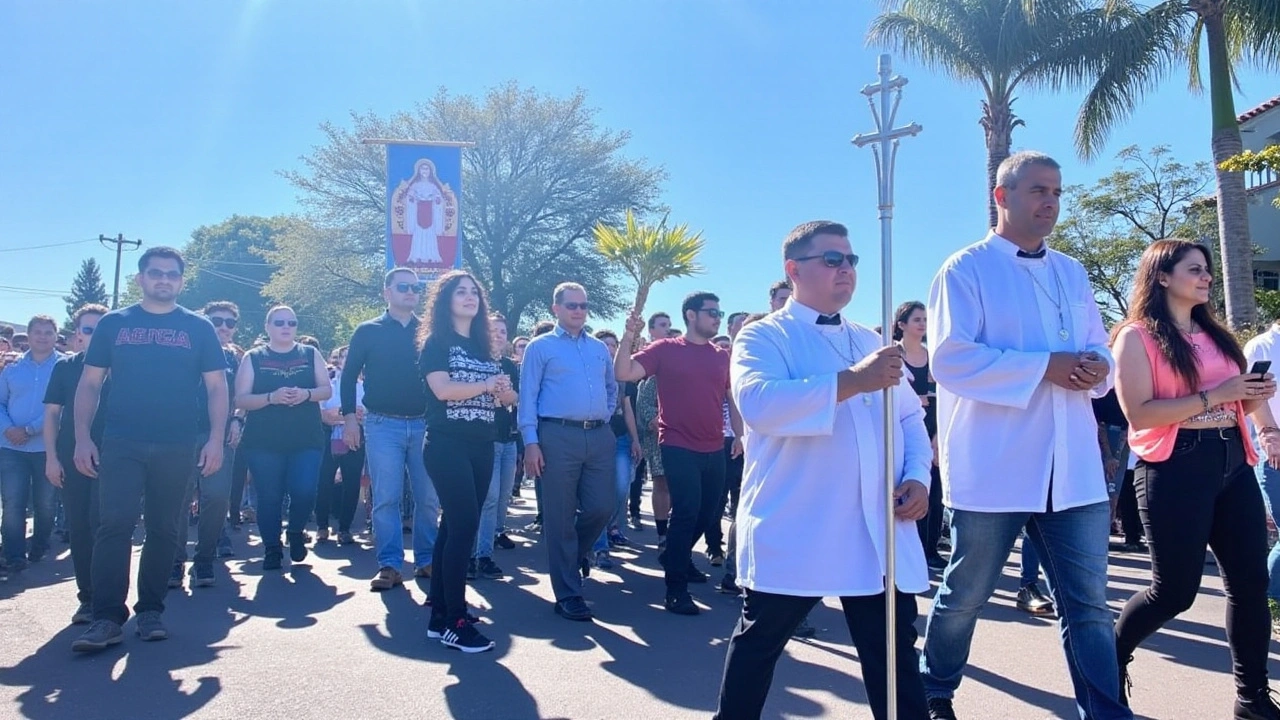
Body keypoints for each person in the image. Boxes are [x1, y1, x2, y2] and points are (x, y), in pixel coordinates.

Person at [920, 152, 1129, 719]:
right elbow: (950, 359)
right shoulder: (965, 269)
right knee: (965, 597)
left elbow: (1097, 345)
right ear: (1002, 196)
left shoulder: (1071, 270)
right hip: (997, 463)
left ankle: (1106, 711)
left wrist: (1096, 368)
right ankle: (935, 690)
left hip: (1073, 466)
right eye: (1039, 190)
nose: (1051, 202)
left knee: (1088, 605)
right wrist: (1045, 366)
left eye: (1058, 192)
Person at [714, 220, 931, 720]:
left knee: (894, 659)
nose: (846, 270)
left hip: (873, 527)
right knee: (759, 647)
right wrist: (853, 380)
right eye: (832, 260)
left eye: (851, 260)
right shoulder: (763, 337)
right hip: (799, 522)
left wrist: (919, 475)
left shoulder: (869, 338)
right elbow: (758, 403)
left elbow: (908, 417)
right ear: (794, 270)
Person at [1112, 239, 1280, 719]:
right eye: (1195, 270)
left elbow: (1232, 404)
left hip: (1232, 459)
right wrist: (1218, 393)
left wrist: (1249, 395)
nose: (1207, 277)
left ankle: (1252, 699)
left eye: (1207, 270)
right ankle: (1112, 654)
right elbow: (1139, 414)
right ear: (1162, 277)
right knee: (1175, 591)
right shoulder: (1136, 336)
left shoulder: (1216, 335)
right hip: (1174, 465)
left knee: (1249, 584)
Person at [71, 246, 227, 653]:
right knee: (114, 524)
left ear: (181, 280)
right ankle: (105, 617)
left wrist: (215, 438)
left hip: (177, 443)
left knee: (164, 528)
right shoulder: (113, 324)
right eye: (156, 273)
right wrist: (83, 437)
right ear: (140, 278)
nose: (164, 279)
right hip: (121, 440)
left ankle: (151, 611)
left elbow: (216, 386)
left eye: (172, 274)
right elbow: (89, 383)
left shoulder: (199, 328)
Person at [616, 291, 741, 616]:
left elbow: (731, 399)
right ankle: (676, 589)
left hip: (714, 446)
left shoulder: (720, 356)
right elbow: (624, 373)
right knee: (686, 512)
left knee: (709, 513)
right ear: (690, 315)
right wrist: (629, 335)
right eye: (711, 312)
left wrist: (741, 436)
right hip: (677, 444)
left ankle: (676, 554)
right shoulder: (665, 350)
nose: (716, 317)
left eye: (718, 311)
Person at [419, 271, 513, 652]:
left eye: (474, 292)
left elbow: (506, 400)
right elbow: (442, 390)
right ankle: (456, 621)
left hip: (482, 444)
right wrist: (488, 385)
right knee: (464, 525)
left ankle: (441, 613)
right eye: (461, 292)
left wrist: (505, 391)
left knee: (453, 527)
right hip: (446, 444)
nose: (470, 297)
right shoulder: (436, 343)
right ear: (446, 300)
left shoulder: (484, 348)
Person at [519, 282, 617, 622]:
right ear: (556, 308)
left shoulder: (598, 348)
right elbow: (527, 395)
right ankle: (568, 594)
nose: (578, 310)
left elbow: (611, 387)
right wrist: (530, 441)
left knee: (604, 505)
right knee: (559, 514)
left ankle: (572, 555)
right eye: (572, 305)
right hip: (556, 435)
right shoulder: (540, 347)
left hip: (599, 435)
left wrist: (605, 412)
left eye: (583, 305)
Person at [342, 268, 441, 591]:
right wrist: (349, 419)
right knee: (386, 498)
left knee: (428, 498)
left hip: (426, 424)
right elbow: (347, 377)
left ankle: (426, 561)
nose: (411, 292)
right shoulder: (367, 331)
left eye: (415, 287)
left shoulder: (428, 332)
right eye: (403, 286)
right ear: (387, 291)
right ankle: (390, 565)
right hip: (382, 424)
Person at [234, 306, 330, 570]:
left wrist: (306, 394)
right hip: (263, 440)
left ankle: (296, 531)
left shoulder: (310, 354)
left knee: (304, 490)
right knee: (269, 496)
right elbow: (241, 399)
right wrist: (270, 398)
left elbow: (326, 389)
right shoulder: (254, 357)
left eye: (291, 322)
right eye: (279, 322)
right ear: (267, 327)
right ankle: (272, 548)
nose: (286, 327)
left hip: (306, 438)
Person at [43, 304, 108, 622]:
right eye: (87, 329)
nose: (93, 335)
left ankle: (108, 599)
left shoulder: (123, 369)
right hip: (72, 456)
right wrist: (52, 459)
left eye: (100, 328)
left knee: (104, 525)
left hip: (115, 457)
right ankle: (88, 597)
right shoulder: (65, 368)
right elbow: (52, 415)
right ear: (77, 334)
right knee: (80, 527)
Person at [171, 300, 243, 588]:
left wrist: (238, 420)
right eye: (217, 320)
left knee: (217, 498)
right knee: (178, 499)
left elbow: (241, 395)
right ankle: (175, 561)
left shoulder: (234, 359)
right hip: (182, 434)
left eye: (230, 322)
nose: (223, 327)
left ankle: (204, 557)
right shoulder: (183, 350)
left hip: (220, 435)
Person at [0, 314, 63, 573]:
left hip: (46, 448)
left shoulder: (63, 366)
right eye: (37, 331)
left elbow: (62, 407)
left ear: (55, 336)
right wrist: (8, 429)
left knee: (45, 503)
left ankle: (40, 544)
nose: (42, 336)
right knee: (13, 501)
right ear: (29, 335)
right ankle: (14, 554)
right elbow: (1, 403)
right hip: (11, 448)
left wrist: (31, 429)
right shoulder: (12, 369)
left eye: (48, 332)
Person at [894, 300, 947, 572]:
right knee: (903, 490)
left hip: (933, 431)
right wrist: (917, 399)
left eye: (925, 319)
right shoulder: (893, 355)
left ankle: (931, 549)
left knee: (934, 492)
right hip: (904, 432)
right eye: (917, 319)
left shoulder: (934, 357)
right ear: (901, 324)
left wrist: (938, 435)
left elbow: (945, 399)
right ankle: (906, 552)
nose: (923, 324)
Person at [470, 312, 521, 579]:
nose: (499, 335)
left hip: (508, 438)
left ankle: (485, 549)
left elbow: (514, 397)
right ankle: (478, 555)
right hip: (484, 439)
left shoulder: (510, 366)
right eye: (494, 330)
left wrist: (503, 395)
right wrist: (494, 392)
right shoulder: (474, 360)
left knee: (502, 499)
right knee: (486, 499)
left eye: (503, 331)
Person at [588, 329, 640, 569]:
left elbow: (627, 409)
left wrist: (635, 439)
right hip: (596, 437)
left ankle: (610, 525)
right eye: (605, 344)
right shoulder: (590, 372)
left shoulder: (623, 377)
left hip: (620, 439)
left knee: (621, 487)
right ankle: (600, 548)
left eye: (613, 344)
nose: (609, 348)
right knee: (599, 493)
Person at [1244, 315, 1280, 630]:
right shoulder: (1262, 347)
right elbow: (1252, 396)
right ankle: (1263, 602)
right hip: (1274, 453)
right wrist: (1270, 434)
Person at [315, 345, 366, 546]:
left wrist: (343, 415)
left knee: (352, 483)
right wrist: (345, 415)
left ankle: (345, 528)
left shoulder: (365, 387)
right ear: (338, 360)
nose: (347, 360)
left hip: (355, 438)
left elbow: (365, 413)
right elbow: (322, 414)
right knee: (323, 481)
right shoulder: (328, 385)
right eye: (343, 357)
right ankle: (321, 525)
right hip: (328, 437)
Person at [404, 161, 445, 264]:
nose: (424, 171)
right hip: (419, 213)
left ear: (430, 171)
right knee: (419, 235)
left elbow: (439, 199)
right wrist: (413, 199)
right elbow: (409, 198)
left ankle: (431, 257)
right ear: (418, 171)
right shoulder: (415, 186)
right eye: (422, 169)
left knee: (430, 236)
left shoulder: (433, 186)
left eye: (427, 169)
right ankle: (417, 257)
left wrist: (436, 200)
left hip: (430, 214)